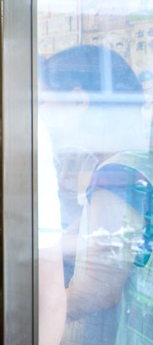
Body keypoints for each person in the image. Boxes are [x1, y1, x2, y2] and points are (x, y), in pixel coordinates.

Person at [39, 45, 152, 344]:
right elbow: (76, 241)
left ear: (78, 100)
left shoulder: (118, 175)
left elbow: (99, 289)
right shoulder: (133, 162)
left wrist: (27, 316)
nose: (39, 113)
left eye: (44, 101)